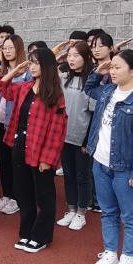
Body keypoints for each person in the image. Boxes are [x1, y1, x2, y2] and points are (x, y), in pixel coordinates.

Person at [86, 50, 133, 264]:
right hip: (100, 161)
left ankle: (128, 256)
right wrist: (98, 72)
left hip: (124, 167)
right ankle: (110, 252)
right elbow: (89, 88)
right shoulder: (108, 91)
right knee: (108, 211)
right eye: (112, 67)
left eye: (118, 67)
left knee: (130, 215)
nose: (113, 71)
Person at [0, 48, 68, 253]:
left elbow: (57, 130)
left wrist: (48, 159)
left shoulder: (54, 94)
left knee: (44, 195)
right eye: (30, 62)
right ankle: (27, 232)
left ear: (47, 66)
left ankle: (41, 236)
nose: (32, 66)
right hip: (20, 145)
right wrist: (14, 71)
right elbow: (1, 87)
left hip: (41, 149)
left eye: (36, 63)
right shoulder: (24, 87)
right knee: (23, 192)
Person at [0, 35, 28, 216]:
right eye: (5, 48)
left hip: (16, 124)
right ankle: (7, 195)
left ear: (19, 49)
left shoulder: (27, 72)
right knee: (3, 161)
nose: (7, 51)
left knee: (16, 162)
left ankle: (18, 198)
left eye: (11, 47)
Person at [56, 41, 95, 231]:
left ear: (86, 57)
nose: (71, 59)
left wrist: (88, 140)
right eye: (69, 55)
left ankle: (81, 212)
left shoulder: (92, 81)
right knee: (68, 174)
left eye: (76, 55)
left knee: (82, 176)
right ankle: (71, 209)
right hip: (64, 136)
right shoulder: (64, 78)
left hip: (82, 138)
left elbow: (94, 114)